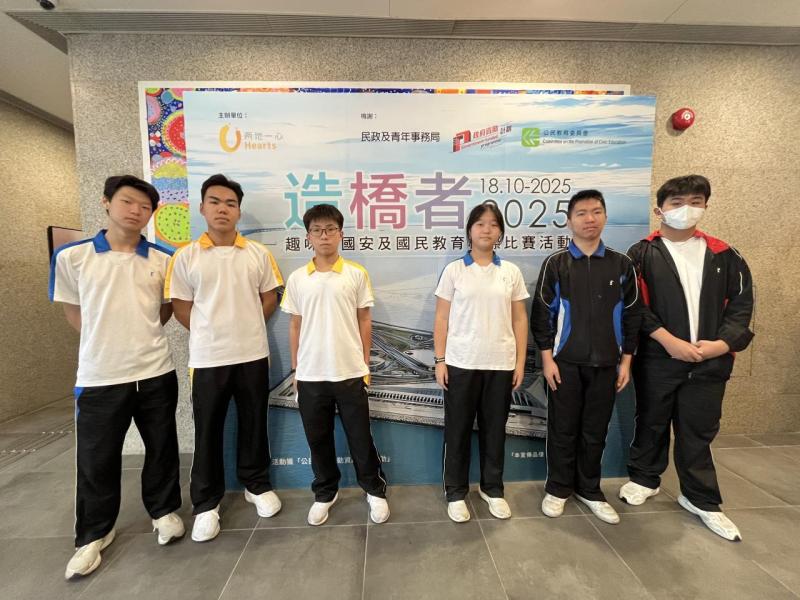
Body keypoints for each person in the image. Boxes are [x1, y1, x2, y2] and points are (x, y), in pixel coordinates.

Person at [50, 175, 184, 579]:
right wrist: (104, 341)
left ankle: (163, 511)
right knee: (97, 457)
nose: (136, 211)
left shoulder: (163, 258)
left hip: (155, 370)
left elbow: (164, 310)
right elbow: (74, 311)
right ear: (106, 202)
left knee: (162, 447)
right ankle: (94, 533)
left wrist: (139, 337)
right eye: (127, 202)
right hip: (99, 375)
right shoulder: (72, 257)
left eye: (145, 207)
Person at [619, 175, 754, 541]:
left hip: (710, 359)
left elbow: (741, 306)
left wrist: (721, 345)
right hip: (658, 357)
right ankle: (644, 478)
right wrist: (667, 340)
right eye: (677, 203)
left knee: (699, 429)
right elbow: (634, 305)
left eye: (695, 201)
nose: (686, 209)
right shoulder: (641, 253)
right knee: (651, 420)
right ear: (659, 209)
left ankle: (700, 497)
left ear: (706, 205)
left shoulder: (725, 255)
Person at [165, 173, 283, 542]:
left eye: (230, 203)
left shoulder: (257, 254)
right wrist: (209, 330)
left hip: (253, 354)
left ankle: (256, 485)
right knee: (208, 430)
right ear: (202, 208)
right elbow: (180, 306)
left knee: (254, 423)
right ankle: (206, 503)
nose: (223, 209)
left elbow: (270, 297)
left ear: (238, 212)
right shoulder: (186, 256)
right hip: (207, 359)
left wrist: (246, 326)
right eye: (215, 202)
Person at [531, 190, 640, 524]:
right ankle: (558, 488)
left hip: (607, 364)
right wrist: (547, 359)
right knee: (562, 429)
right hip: (565, 363)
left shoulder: (621, 264)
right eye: (581, 213)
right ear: (569, 220)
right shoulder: (556, 263)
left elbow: (632, 315)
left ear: (605, 216)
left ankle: (590, 489)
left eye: (596, 211)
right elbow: (543, 314)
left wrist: (626, 361)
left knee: (595, 430)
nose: (589, 219)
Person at [280, 204, 389, 526]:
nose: (324, 235)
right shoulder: (298, 278)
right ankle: (325, 492)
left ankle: (374, 489)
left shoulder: (355, 274)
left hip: (350, 372)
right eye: (317, 230)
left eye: (330, 229)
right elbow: (295, 325)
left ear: (341, 234)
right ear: (308, 237)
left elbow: (365, 320)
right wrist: (297, 370)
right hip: (311, 374)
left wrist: (365, 365)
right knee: (318, 439)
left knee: (360, 437)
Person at [433, 201, 529, 522]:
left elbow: (519, 319)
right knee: (457, 431)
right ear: (470, 230)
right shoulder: (455, 270)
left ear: (500, 231)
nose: (487, 229)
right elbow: (441, 318)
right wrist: (440, 360)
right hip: (461, 363)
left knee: (494, 431)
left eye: (493, 224)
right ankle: (455, 491)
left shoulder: (510, 272)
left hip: (500, 364)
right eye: (480, 224)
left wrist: (519, 363)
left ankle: (492, 489)